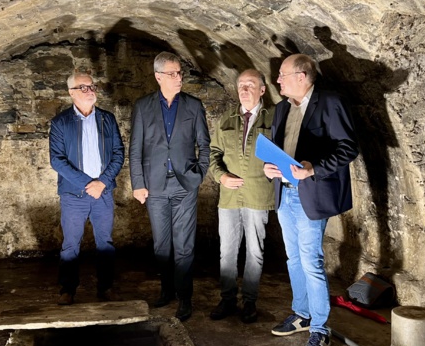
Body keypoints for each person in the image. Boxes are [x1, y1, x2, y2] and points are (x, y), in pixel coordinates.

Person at [264, 54, 358, 346]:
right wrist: (270, 167)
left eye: (282, 75)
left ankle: (320, 328)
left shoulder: (330, 103)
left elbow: (348, 147)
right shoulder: (281, 109)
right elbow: (280, 150)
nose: (277, 80)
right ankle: (302, 314)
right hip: (285, 193)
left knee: (311, 261)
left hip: (311, 193)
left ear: (302, 76)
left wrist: (313, 167)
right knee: (293, 259)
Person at [129, 52, 210, 321]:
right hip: (154, 187)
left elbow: (205, 145)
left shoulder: (193, 105)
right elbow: (136, 148)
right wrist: (138, 184)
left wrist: (198, 175)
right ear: (158, 76)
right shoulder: (142, 107)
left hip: (185, 184)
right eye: (173, 73)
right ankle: (166, 290)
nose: (179, 78)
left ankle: (185, 297)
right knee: (162, 245)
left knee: (185, 245)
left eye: (180, 73)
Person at [49, 72, 124, 305]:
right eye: (83, 87)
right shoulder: (61, 122)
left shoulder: (107, 119)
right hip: (74, 194)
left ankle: (105, 288)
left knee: (105, 242)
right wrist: (87, 183)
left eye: (92, 86)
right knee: (70, 244)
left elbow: (118, 154)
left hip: (102, 192)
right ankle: (67, 289)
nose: (90, 90)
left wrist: (101, 182)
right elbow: (57, 160)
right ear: (71, 93)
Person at [208, 69, 274, 323]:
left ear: (262, 90)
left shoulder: (274, 118)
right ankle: (227, 299)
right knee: (227, 250)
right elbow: (214, 153)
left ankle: (249, 301)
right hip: (229, 196)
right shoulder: (226, 118)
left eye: (250, 85)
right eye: (241, 86)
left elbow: (283, 153)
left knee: (255, 251)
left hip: (258, 193)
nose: (245, 90)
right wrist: (221, 176)